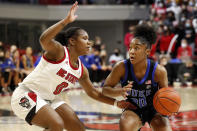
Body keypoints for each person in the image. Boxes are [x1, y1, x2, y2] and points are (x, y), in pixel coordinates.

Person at [11, 2, 135, 131]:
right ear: (72, 41)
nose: (89, 42)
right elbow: (44, 40)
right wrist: (65, 21)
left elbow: (93, 93)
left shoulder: (82, 70)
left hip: (48, 99)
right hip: (26, 94)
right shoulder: (59, 51)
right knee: (56, 124)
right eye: (85, 38)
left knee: (78, 128)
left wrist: (116, 102)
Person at [102, 24, 172, 131]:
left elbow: (165, 96)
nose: (131, 51)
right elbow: (105, 89)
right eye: (130, 48)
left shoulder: (159, 71)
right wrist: (119, 91)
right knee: (125, 125)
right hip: (132, 108)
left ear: (147, 51)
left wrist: (169, 106)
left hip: (154, 109)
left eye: (136, 48)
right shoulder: (121, 67)